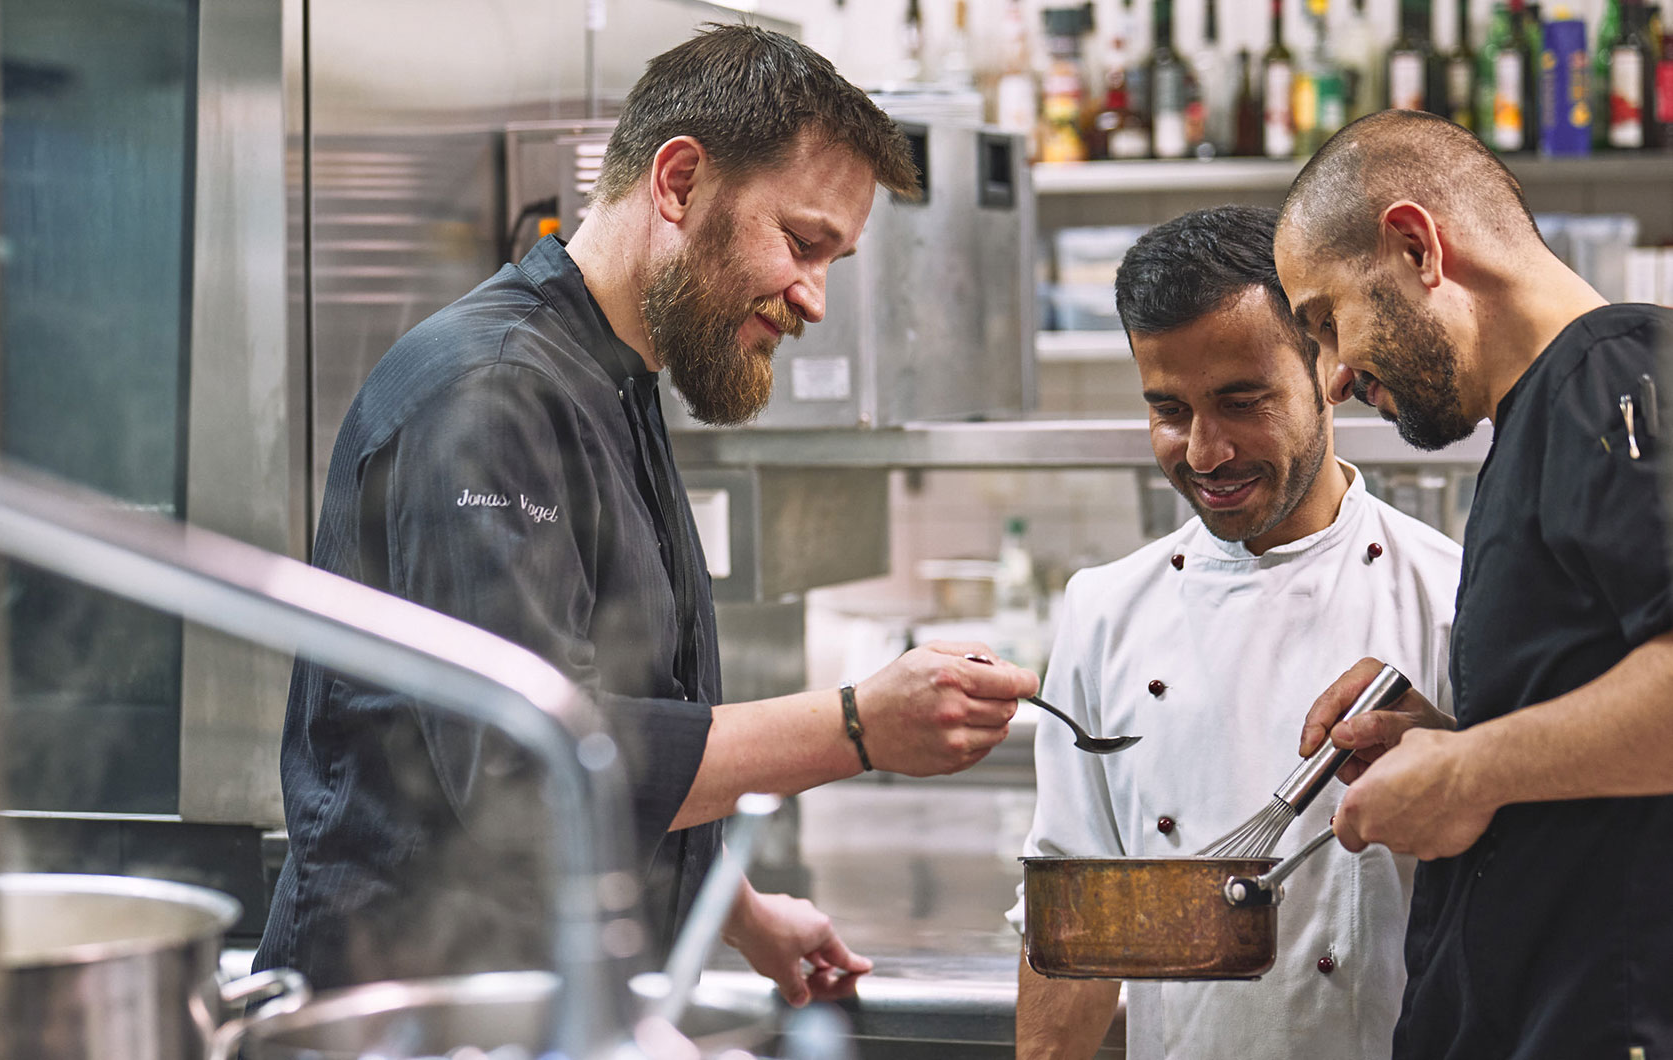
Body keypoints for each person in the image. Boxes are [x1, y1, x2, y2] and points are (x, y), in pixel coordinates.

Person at [255, 24, 1037, 1000]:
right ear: (678, 183)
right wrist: (857, 725)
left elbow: (609, 719)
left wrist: (736, 906)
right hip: (409, 1012)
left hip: (533, 999)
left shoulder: (613, 381)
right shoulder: (488, 393)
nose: (815, 299)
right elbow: (525, 769)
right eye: (803, 243)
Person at [1010, 206, 1463, 1060]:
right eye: (1169, 410)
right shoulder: (1105, 610)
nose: (1206, 452)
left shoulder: (1448, 595)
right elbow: (1071, 933)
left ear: (1327, 370)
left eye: (1240, 401)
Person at [1275, 109, 1673, 1057]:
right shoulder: (1542, 415)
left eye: (1327, 321)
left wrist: (1466, 770)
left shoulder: (1615, 376)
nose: (1330, 377)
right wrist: (1450, 745)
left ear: (1416, 246)